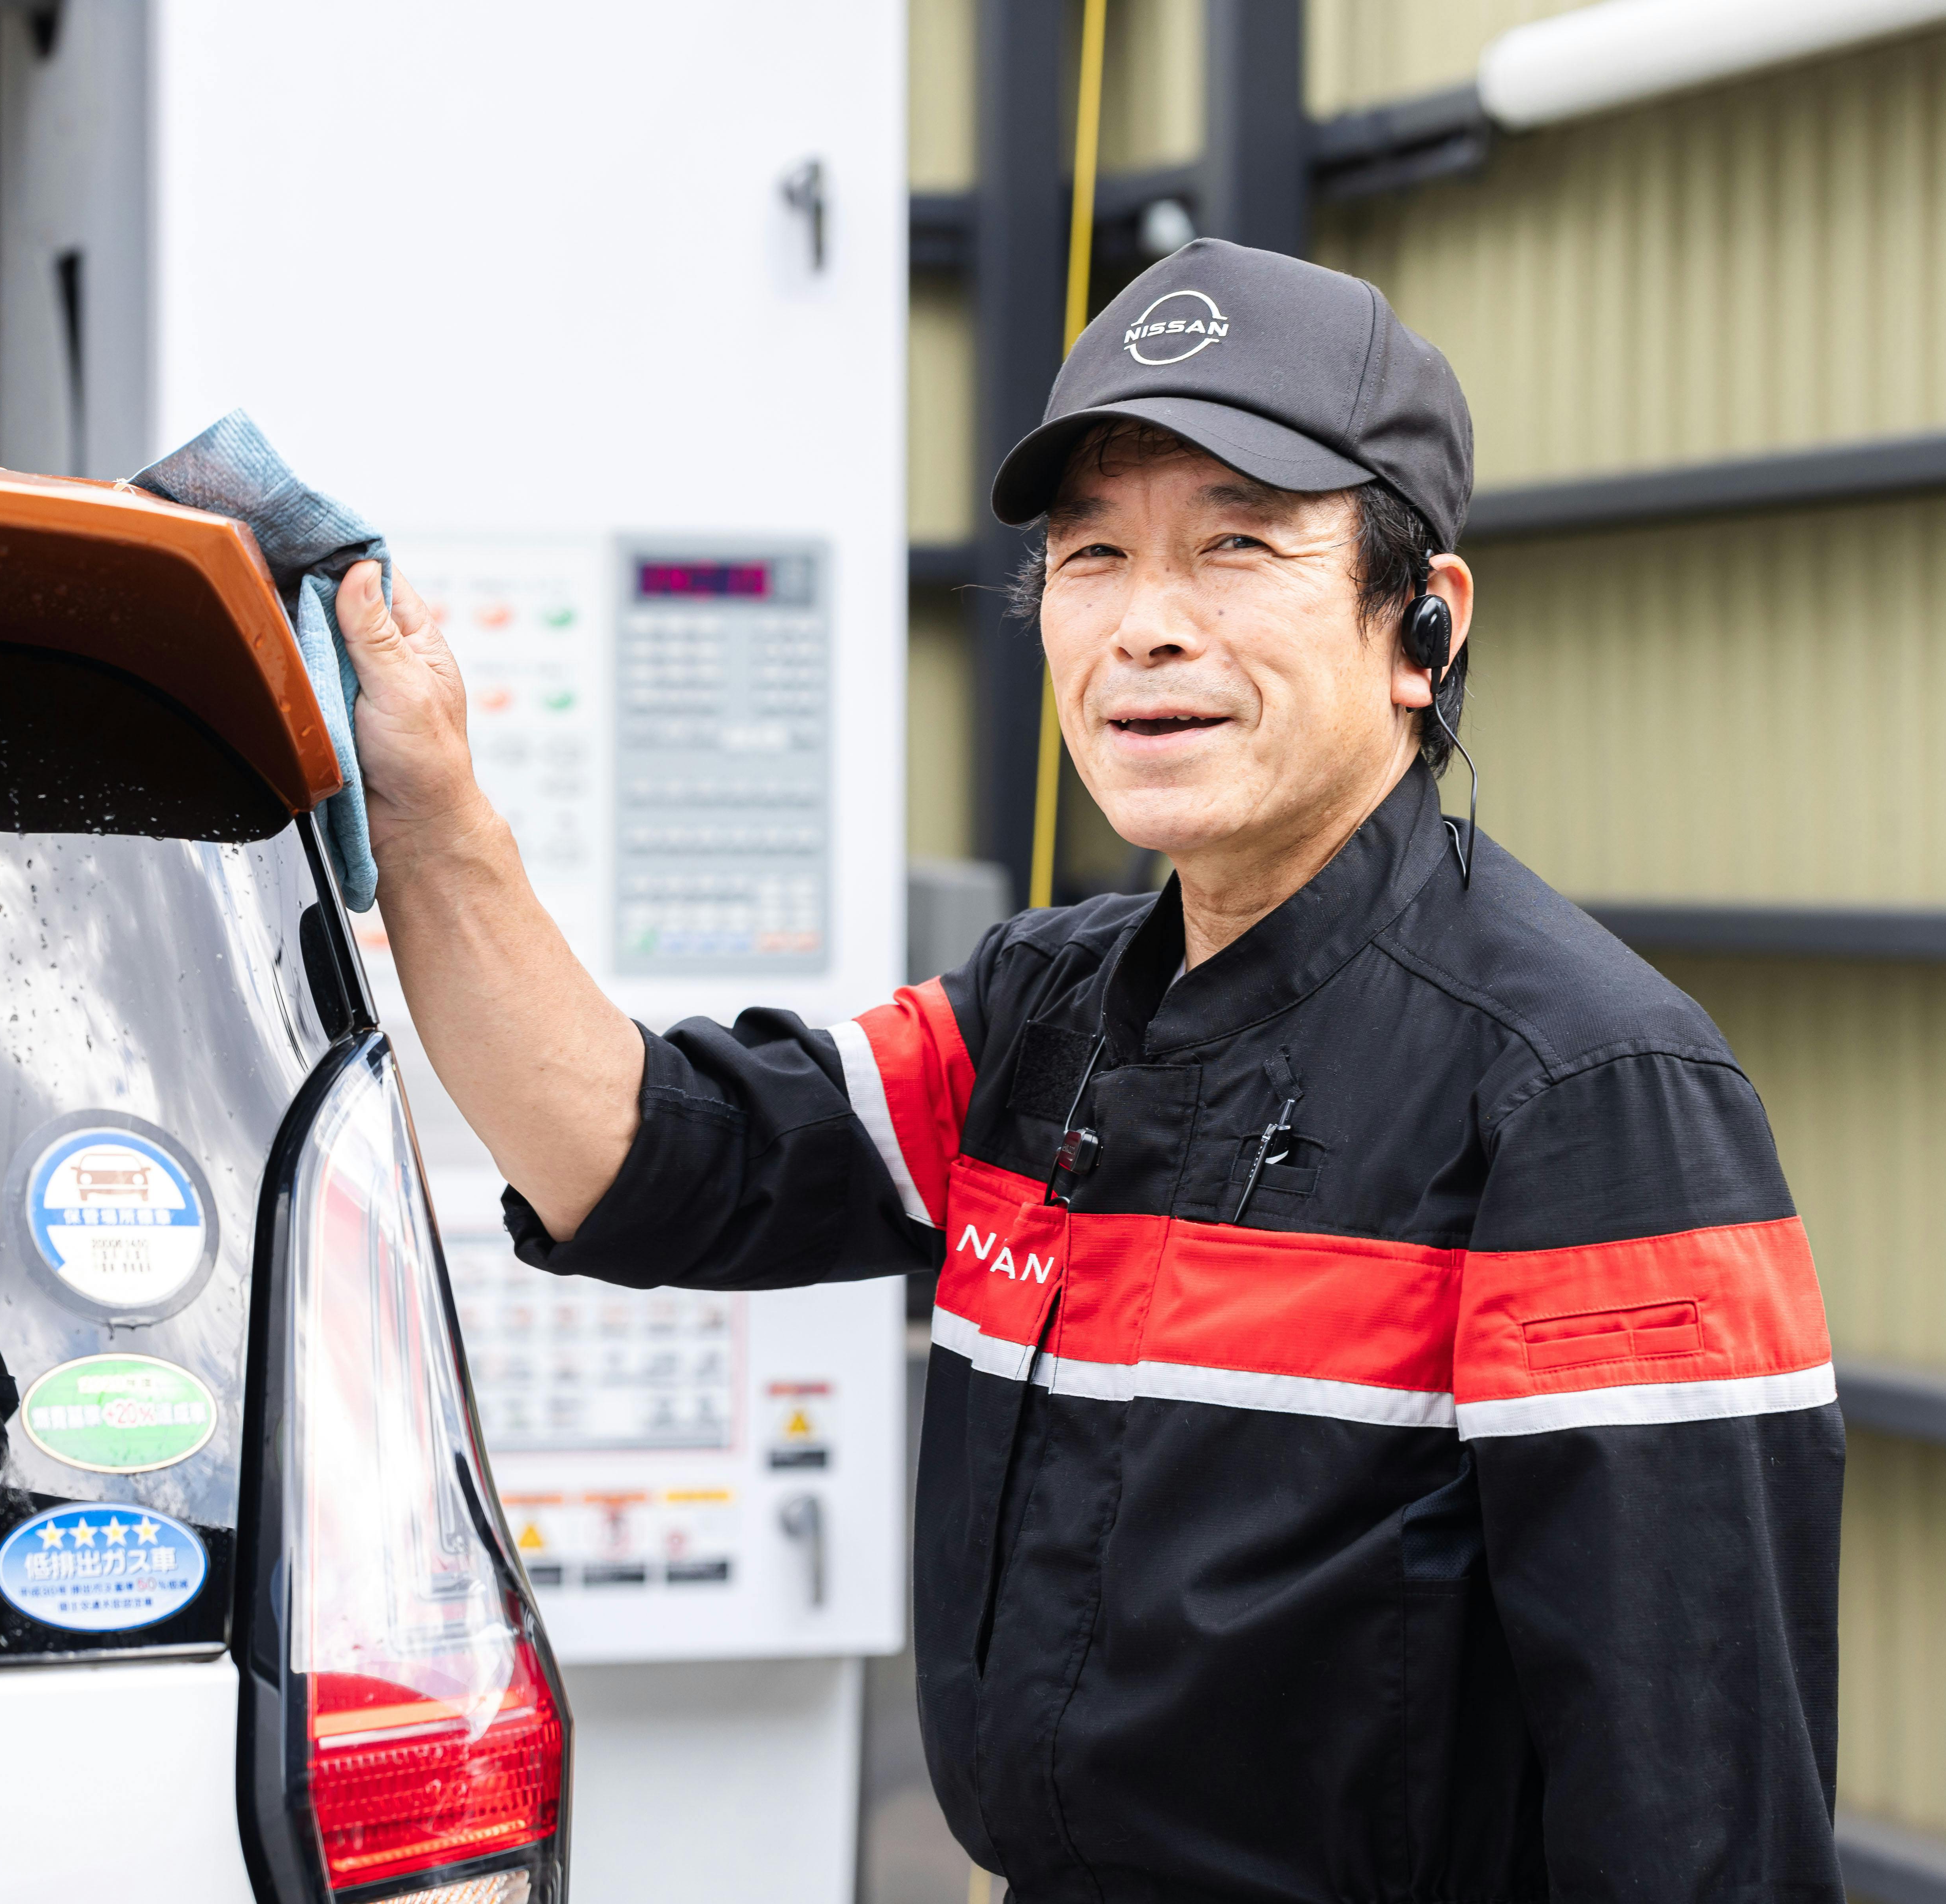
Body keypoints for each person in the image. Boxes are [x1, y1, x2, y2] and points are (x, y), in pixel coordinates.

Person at [338, 238, 1845, 1903]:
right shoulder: (1033, 1014)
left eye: (1238, 548)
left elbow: (1702, 1822)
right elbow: (639, 1152)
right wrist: (424, 805)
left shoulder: (1586, 1091)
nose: (1145, 628)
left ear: (1421, 622)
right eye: (1094, 556)